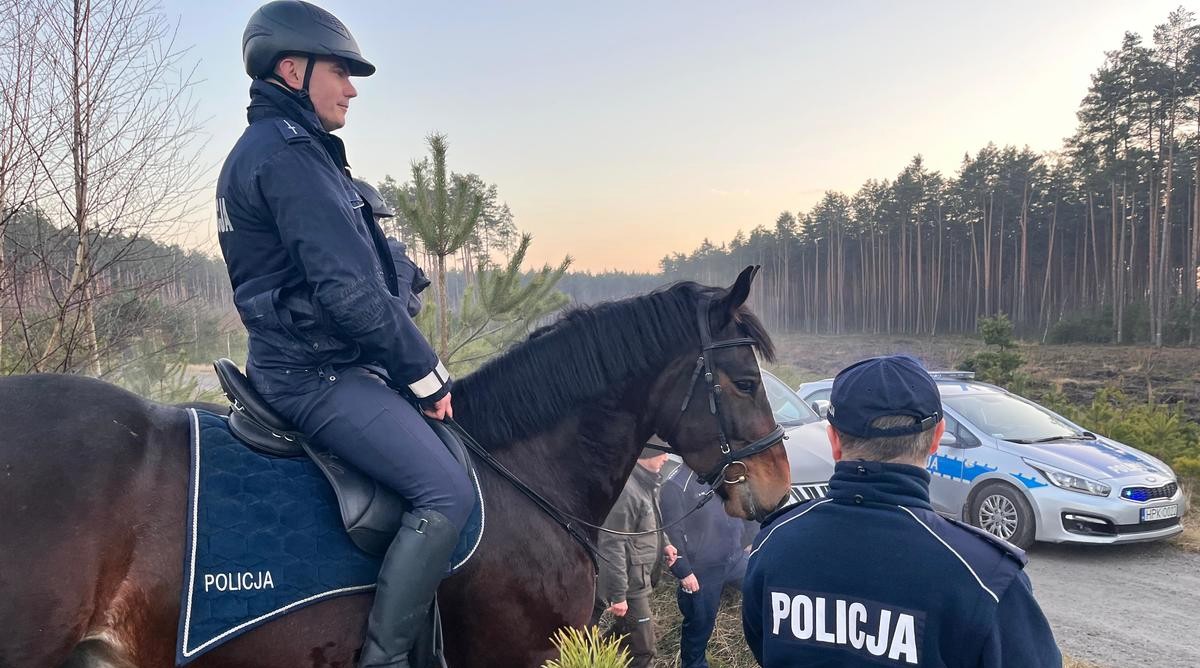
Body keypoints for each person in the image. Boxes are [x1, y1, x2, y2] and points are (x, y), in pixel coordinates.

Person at [216, 2, 473, 666]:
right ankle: (383, 660)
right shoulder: (288, 155)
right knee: (446, 492)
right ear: (292, 69)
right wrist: (425, 372)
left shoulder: (293, 153)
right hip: (313, 374)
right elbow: (348, 294)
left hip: (314, 360)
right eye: (341, 71)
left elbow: (353, 270)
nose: (352, 87)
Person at [742, 355, 1061, 667]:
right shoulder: (985, 577)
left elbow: (761, 643)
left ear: (834, 440)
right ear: (937, 438)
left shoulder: (774, 544)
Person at [660, 462, 757, 668]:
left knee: (762, 588)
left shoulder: (727, 473)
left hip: (735, 558)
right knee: (699, 624)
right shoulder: (676, 485)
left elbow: (747, 505)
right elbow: (672, 533)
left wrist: (751, 539)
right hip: (702, 570)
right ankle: (694, 664)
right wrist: (684, 571)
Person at [593, 448, 679, 668]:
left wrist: (666, 544)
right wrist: (618, 594)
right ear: (645, 455)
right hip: (630, 586)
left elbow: (650, 523)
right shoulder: (627, 491)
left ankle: (588, 657)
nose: (666, 458)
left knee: (623, 632)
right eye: (661, 453)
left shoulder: (647, 482)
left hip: (639, 579)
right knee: (644, 650)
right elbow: (612, 544)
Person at [350, 177, 430, 318]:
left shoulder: (394, 260)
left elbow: (396, 318)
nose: (376, 226)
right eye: (375, 219)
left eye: (376, 220)